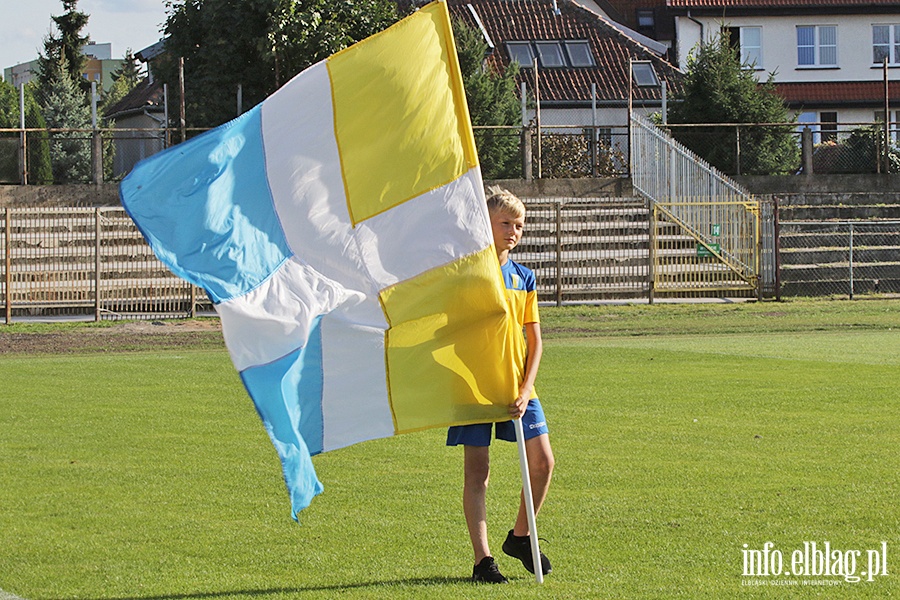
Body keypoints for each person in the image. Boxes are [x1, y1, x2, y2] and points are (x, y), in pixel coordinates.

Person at [447, 186, 555, 583]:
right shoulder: (468, 273)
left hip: (518, 388)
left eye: (520, 225)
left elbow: (536, 339)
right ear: (486, 225)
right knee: (479, 472)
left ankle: (521, 536)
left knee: (543, 462)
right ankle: (483, 560)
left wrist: (527, 388)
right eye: (505, 223)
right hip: (475, 388)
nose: (514, 230)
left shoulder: (524, 277)